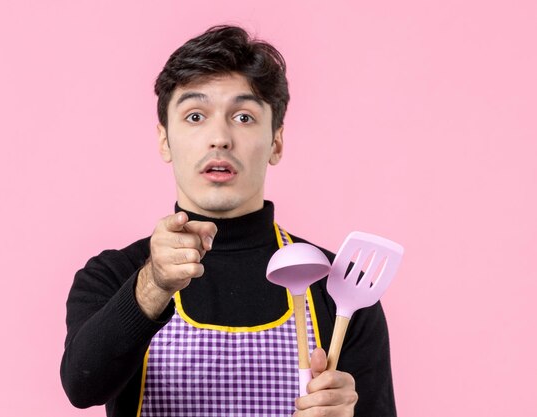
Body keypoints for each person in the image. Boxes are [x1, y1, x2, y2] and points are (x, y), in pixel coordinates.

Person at [60, 25, 396, 417]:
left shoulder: (337, 286)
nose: (219, 137)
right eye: (196, 115)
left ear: (276, 142)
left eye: (243, 116)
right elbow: (82, 387)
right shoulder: (115, 274)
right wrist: (154, 284)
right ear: (165, 140)